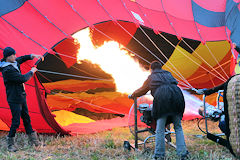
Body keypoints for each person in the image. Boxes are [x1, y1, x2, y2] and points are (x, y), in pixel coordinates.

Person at [129, 61, 188, 160]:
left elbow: (142, 90)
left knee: (160, 129)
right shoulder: (168, 74)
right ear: (161, 68)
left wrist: (133, 95)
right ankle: (183, 154)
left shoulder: (151, 77)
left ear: (151, 69)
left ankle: (159, 155)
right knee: (178, 127)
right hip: (178, 97)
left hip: (162, 100)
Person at [0, 47, 44, 152]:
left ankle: (33, 141)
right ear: (8, 57)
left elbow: (21, 58)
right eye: (13, 55)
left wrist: (32, 55)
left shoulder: (13, 62)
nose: (15, 56)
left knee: (26, 118)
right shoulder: (7, 70)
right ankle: (10, 144)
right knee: (16, 121)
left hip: (21, 95)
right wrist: (32, 71)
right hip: (14, 98)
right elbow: (22, 79)